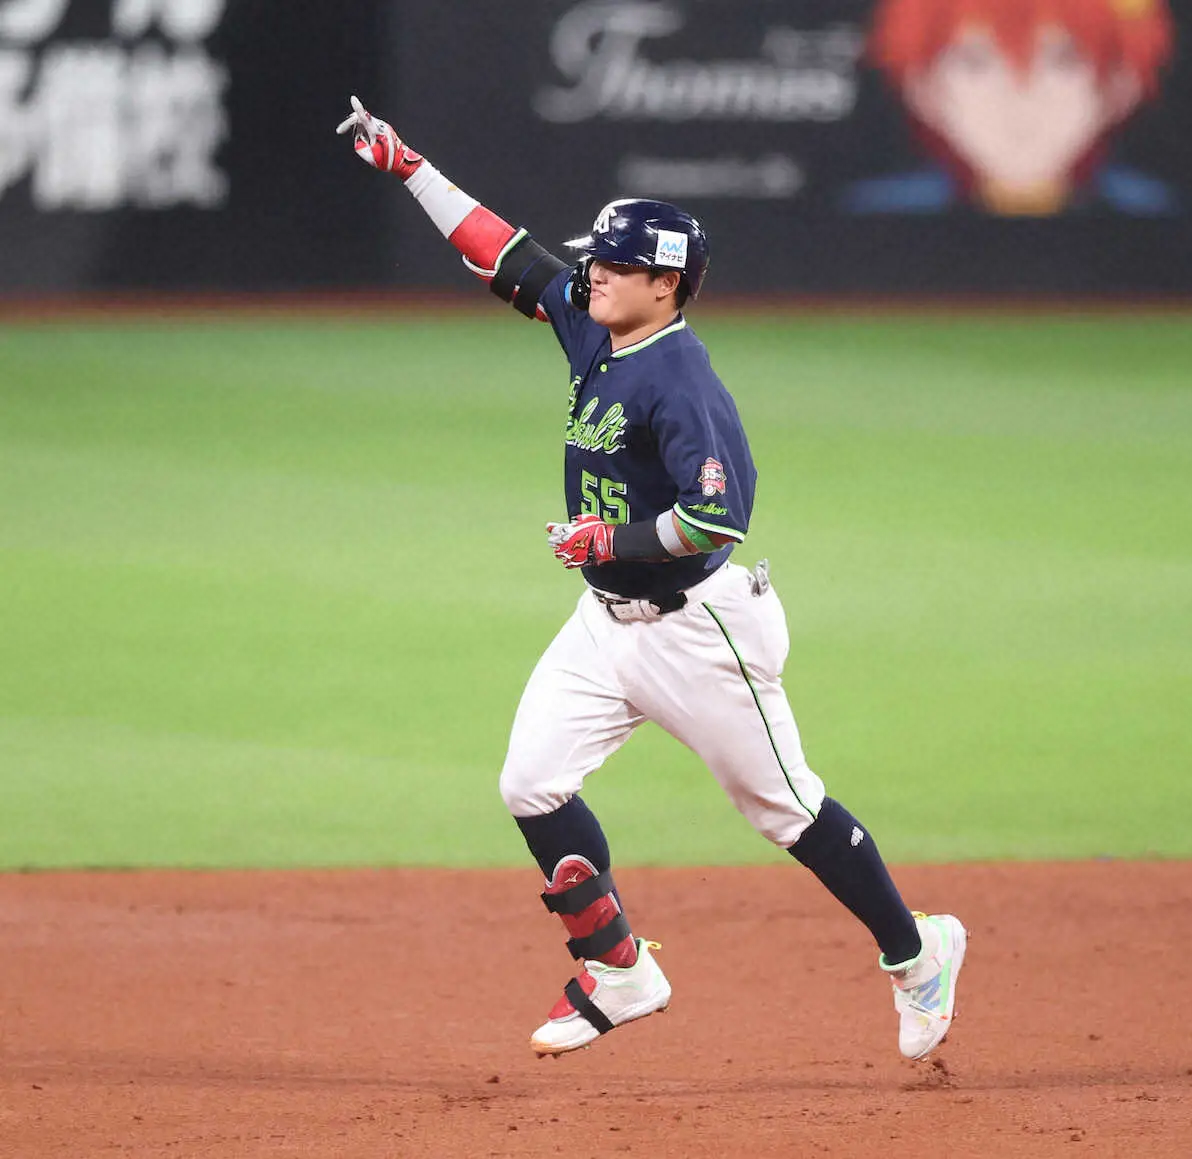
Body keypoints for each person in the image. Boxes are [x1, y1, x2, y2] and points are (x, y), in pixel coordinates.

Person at [336, 96, 966, 1060]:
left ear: (666, 286)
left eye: (616, 264)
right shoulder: (598, 328)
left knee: (787, 811)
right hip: (604, 624)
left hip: (699, 630)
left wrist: (612, 538)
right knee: (531, 783)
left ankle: (918, 954)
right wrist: (411, 166)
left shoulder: (682, 384)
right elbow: (508, 253)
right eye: (596, 258)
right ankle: (622, 968)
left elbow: (717, 518)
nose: (593, 271)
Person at [845, 0, 1176, 216]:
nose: (1020, 96)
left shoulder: (1154, 211)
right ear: (924, 92)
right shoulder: (876, 213)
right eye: (975, 63)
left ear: (1120, 90)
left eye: (1063, 62)